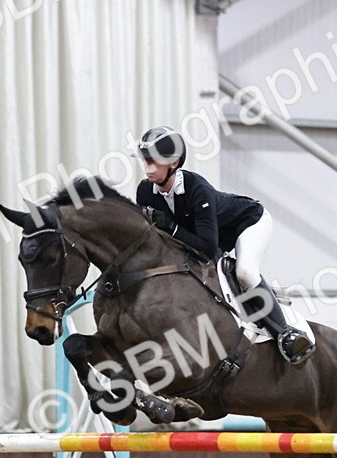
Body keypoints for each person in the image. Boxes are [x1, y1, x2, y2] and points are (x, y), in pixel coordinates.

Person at [134, 126, 315, 366]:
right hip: (211, 237)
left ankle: (286, 333)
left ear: (174, 163)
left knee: (244, 272)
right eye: (145, 161)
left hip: (249, 223)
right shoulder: (145, 192)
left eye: (154, 162)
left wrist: (173, 228)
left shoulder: (198, 190)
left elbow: (208, 249)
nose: (147, 169)